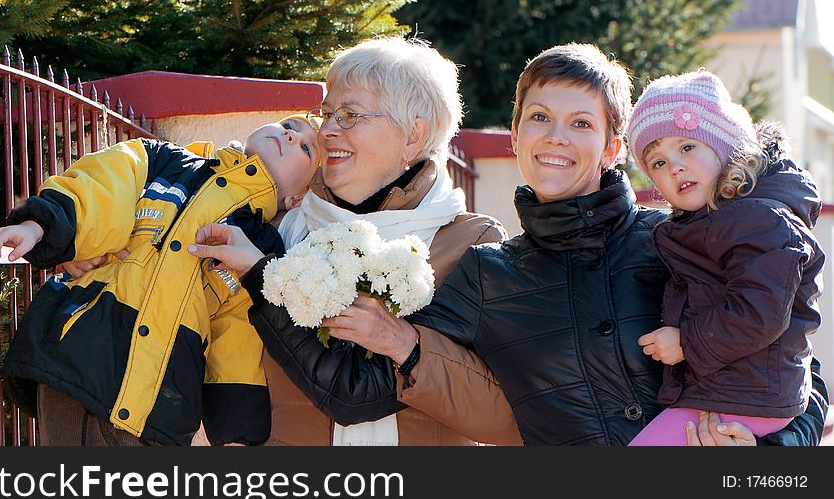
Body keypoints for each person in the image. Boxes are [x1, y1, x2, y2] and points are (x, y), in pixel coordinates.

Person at [194, 43, 827, 446]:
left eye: (581, 123)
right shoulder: (485, 271)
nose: (556, 137)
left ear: (612, 149)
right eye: (539, 119)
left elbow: (797, 364)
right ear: (517, 138)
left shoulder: (669, 244)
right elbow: (356, 391)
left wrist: (772, 451)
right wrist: (271, 283)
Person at [188, 36, 522, 446]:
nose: (326, 131)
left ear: (413, 136)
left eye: (349, 115)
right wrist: (96, 254)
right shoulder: (278, 226)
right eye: (326, 113)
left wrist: (407, 344)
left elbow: (502, 416)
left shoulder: (471, 242)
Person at [0, 115, 321, 445]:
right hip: (83, 364)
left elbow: (237, 334)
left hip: (161, 406)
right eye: (290, 126)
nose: (291, 135)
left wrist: (237, 429)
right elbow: (100, 189)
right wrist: (37, 226)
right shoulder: (162, 161)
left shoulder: (261, 250)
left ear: (297, 198)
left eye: (306, 148)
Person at [625, 71, 823, 445]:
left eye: (687, 148)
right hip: (731, 392)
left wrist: (687, 342)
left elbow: (762, 313)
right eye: (658, 163)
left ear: (727, 146)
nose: (675, 167)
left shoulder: (759, 218)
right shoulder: (712, 223)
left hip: (746, 399)